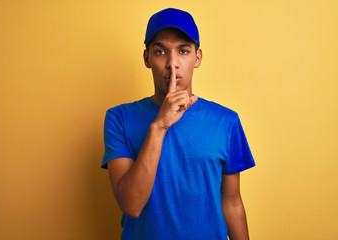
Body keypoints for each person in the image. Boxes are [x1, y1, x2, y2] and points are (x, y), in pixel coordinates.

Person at [101, 8, 255, 240]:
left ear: (198, 57)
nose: (172, 63)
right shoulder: (119, 118)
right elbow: (131, 205)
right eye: (160, 51)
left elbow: (232, 203)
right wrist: (159, 126)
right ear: (147, 58)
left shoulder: (226, 121)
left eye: (183, 51)